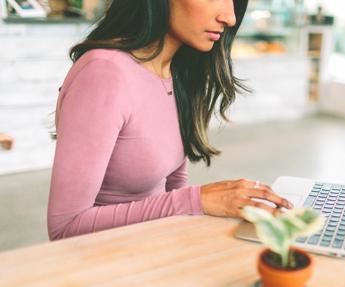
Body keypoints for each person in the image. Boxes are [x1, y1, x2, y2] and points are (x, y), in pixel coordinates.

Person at [47, 0, 293, 241]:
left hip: (151, 247)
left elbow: (172, 189)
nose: (230, 17)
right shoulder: (103, 73)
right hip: (105, 262)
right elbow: (65, 228)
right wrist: (197, 200)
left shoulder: (177, 70)